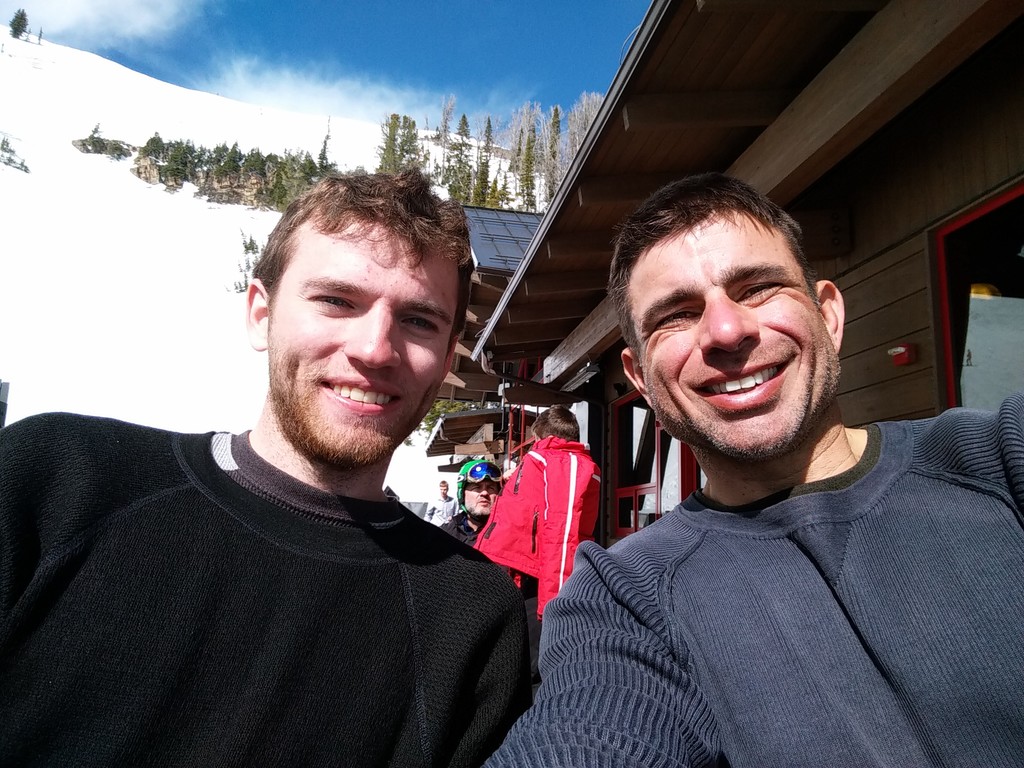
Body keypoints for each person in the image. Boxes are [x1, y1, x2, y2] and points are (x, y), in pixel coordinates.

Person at [486, 172, 1024, 766]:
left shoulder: (1001, 459)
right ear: (640, 379)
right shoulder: (625, 600)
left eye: (759, 287)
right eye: (677, 314)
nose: (726, 330)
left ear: (829, 316)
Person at [0, 170, 531, 766]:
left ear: (448, 354)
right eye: (336, 301)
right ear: (261, 312)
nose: (375, 349)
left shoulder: (472, 614)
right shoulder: (58, 479)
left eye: (419, 320)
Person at [476, 406, 601, 682]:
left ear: (541, 436)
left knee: (530, 672)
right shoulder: (548, 460)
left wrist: (555, 607)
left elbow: (562, 532)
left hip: (541, 585)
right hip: (523, 576)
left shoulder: (564, 462)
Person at [441, 459, 502, 546]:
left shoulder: (507, 535)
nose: (484, 493)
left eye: (491, 488)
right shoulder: (445, 535)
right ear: (462, 494)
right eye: (476, 487)